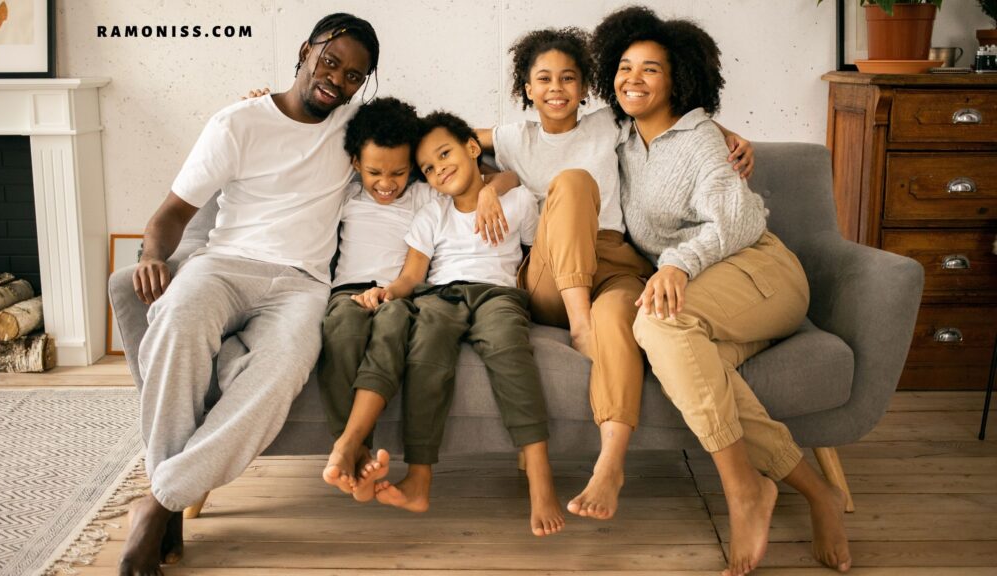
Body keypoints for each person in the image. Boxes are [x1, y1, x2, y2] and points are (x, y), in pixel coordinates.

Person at [591, 6, 851, 575]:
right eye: (625, 66)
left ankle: (741, 489)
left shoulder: (702, 140)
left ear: (678, 78)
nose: (632, 78)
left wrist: (678, 266)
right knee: (688, 359)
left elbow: (734, 223)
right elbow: (537, 133)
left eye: (651, 69)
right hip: (714, 289)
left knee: (657, 322)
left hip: (760, 272)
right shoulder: (621, 141)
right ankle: (816, 492)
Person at [121, 13, 379, 576]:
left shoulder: (357, 129)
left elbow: (447, 137)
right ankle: (167, 498)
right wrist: (150, 256)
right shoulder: (237, 121)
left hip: (302, 285)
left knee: (283, 368)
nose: (337, 79)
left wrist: (501, 173)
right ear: (305, 50)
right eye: (330, 61)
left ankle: (157, 500)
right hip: (223, 265)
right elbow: (171, 214)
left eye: (355, 76)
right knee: (176, 322)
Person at [476, 26, 754, 520]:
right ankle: (580, 324)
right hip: (550, 273)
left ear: (586, 88)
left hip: (616, 263)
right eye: (543, 79)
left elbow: (672, 124)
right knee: (575, 182)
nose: (556, 88)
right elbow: (443, 141)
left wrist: (727, 134)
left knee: (625, 315)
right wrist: (487, 187)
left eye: (568, 78)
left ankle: (611, 462)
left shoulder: (610, 124)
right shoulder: (512, 139)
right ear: (526, 88)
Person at [355, 111, 565, 537]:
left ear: (473, 149)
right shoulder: (432, 214)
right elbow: (413, 275)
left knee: (510, 352)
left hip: (498, 294)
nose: (438, 169)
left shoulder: (518, 200)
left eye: (445, 154)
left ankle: (541, 478)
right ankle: (419, 479)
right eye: (429, 168)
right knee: (425, 355)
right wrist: (387, 293)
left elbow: (535, 257)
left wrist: (497, 185)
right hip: (441, 296)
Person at [318, 97, 517, 502]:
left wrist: (489, 194)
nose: (387, 183)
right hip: (349, 291)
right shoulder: (346, 194)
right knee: (341, 332)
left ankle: (349, 452)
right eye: (375, 172)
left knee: (392, 328)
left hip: (400, 294)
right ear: (355, 163)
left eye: (399, 171)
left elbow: (505, 175)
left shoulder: (425, 196)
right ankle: (357, 453)